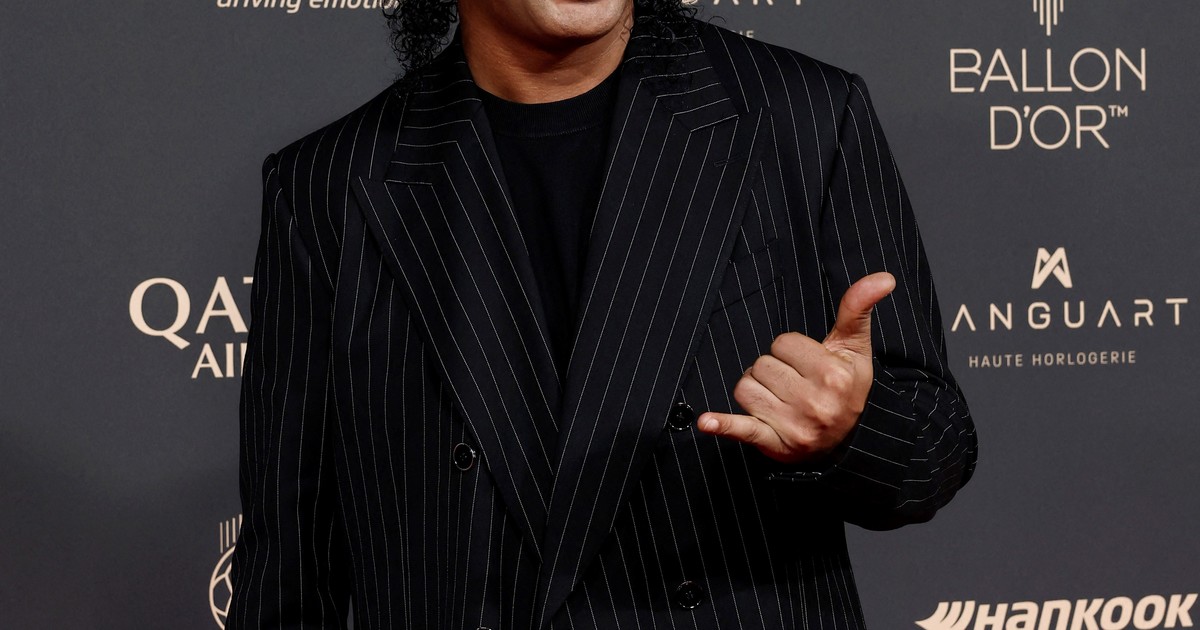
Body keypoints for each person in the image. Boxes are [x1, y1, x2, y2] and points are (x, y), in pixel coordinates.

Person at [227, 0, 978, 625]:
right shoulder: (327, 185)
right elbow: (290, 560)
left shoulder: (801, 115)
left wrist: (850, 431)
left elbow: (936, 445)